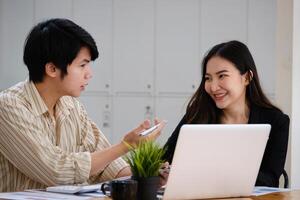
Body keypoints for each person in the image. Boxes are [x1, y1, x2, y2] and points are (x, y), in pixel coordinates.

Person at [0, 18, 165, 192]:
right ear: (52, 69)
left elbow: (106, 166)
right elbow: (55, 170)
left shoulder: (72, 106)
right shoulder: (9, 106)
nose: (89, 74)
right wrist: (126, 145)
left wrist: (150, 176)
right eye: (82, 65)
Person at [162, 40, 289, 187]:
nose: (213, 87)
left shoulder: (276, 121)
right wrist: (163, 171)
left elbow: (270, 179)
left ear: (247, 77)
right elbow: (165, 159)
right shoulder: (198, 115)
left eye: (222, 76)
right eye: (208, 78)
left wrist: (209, 173)